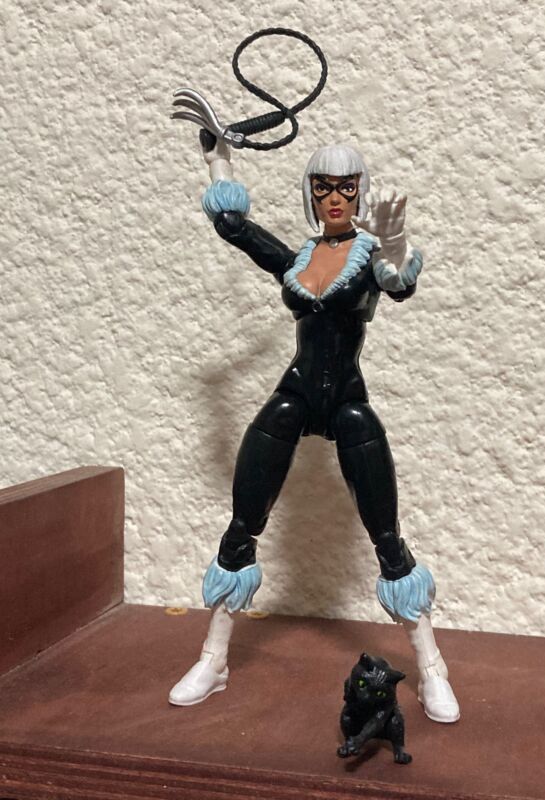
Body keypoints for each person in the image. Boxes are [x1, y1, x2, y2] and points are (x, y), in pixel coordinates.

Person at [168, 139, 460, 724]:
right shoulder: (297, 258)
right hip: (295, 394)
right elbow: (233, 226)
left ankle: (432, 669)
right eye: (323, 188)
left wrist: (395, 243)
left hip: (348, 400)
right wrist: (218, 157)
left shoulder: (369, 256)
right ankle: (213, 659)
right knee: (243, 522)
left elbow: (399, 285)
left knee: (386, 536)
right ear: (310, 193)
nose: (334, 198)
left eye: (346, 187)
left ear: (360, 191)